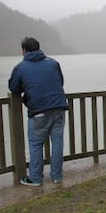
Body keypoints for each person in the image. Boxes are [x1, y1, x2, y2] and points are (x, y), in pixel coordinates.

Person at [9, 37, 68, 186]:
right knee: (57, 143)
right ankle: (57, 176)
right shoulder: (53, 63)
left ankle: (35, 178)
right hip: (59, 107)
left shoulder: (21, 67)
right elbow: (59, 82)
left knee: (36, 144)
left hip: (39, 110)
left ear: (24, 50)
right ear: (39, 48)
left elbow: (13, 87)